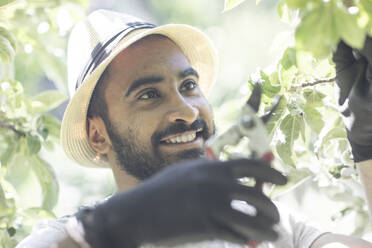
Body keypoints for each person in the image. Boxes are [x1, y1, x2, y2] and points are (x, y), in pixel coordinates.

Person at [16, 9, 372, 248]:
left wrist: (367, 146)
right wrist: (112, 226)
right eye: (149, 94)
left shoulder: (266, 224)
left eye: (188, 86)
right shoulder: (62, 237)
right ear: (98, 135)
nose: (187, 112)